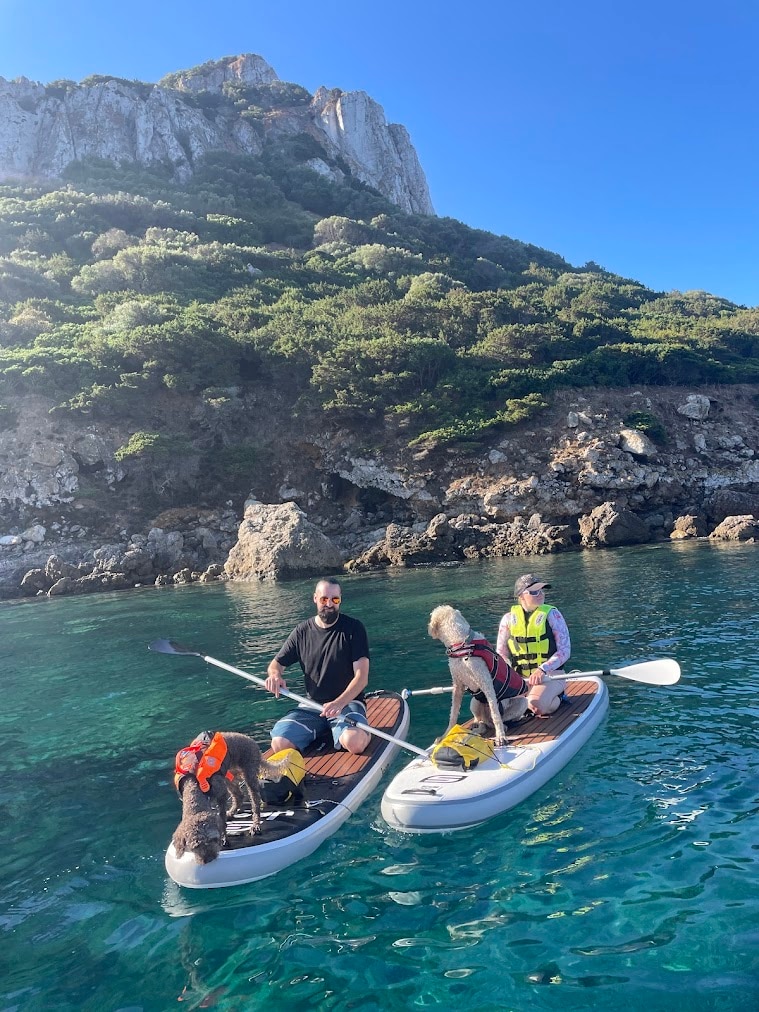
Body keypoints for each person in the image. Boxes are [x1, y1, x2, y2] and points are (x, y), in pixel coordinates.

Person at [264, 578, 371, 755]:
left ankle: (361, 732)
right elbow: (276, 665)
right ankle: (324, 729)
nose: (329, 604)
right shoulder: (301, 632)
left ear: (340, 600)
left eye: (335, 599)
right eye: (324, 599)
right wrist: (275, 676)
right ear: (315, 598)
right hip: (311, 705)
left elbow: (362, 678)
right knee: (279, 742)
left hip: (347, 702)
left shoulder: (354, 629)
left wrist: (339, 703)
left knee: (355, 743)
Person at [495, 573, 570, 716]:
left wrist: (542, 669)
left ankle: (558, 697)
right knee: (498, 709)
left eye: (542, 590)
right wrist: (509, 675)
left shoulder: (553, 615)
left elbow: (564, 651)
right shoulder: (508, 619)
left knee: (535, 706)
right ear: (521, 596)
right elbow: (501, 654)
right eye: (534, 592)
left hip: (551, 675)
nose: (540, 594)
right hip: (521, 678)